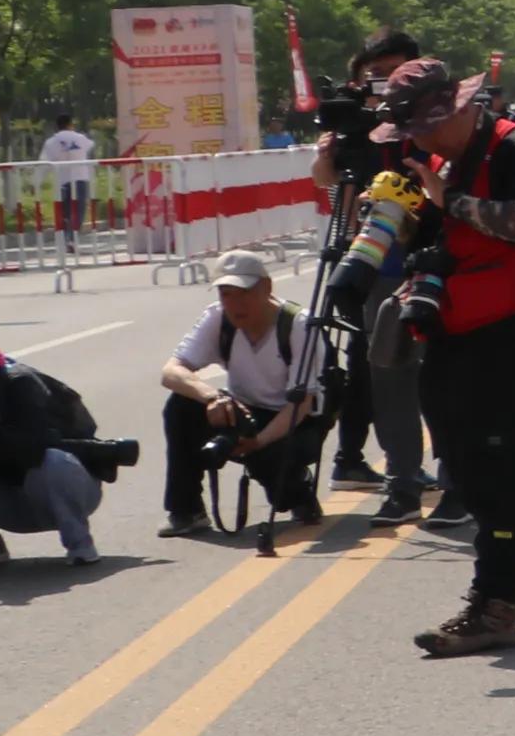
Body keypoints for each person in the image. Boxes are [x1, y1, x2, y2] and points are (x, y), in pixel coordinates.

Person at [380, 61, 515, 656]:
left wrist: (452, 200)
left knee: (497, 467)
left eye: (422, 129)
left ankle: (495, 604)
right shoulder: (440, 161)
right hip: (450, 326)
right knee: (463, 464)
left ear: (454, 113)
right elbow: (442, 238)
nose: (416, 142)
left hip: (499, 329)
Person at [324, 30, 431, 521]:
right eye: (377, 74)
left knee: (440, 379)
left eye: (396, 73)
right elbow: (328, 181)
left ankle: (456, 479)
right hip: (375, 262)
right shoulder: (356, 125)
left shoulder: (437, 125)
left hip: (435, 260)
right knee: (384, 369)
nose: (386, 84)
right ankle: (402, 481)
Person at [158, 249, 325, 534]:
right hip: (242, 410)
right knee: (180, 406)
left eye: (244, 293)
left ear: (267, 288)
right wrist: (212, 397)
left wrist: (258, 442)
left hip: (292, 419)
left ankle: (298, 486)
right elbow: (171, 371)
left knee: (279, 479)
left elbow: (303, 403)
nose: (235, 304)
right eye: (226, 294)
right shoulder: (218, 318)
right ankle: (187, 510)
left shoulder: (298, 325)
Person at [0, 330, 110, 565]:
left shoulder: (19, 382)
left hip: (58, 492)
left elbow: (33, 449)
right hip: (5, 504)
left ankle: (80, 544)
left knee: (54, 461)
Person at [39, 111, 96, 240]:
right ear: (71, 124)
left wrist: (36, 182)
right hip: (80, 178)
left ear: (57, 126)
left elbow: (43, 163)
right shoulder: (80, 138)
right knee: (79, 210)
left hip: (63, 180)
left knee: (65, 211)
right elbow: (90, 146)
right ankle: (72, 237)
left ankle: (66, 237)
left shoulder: (51, 142)